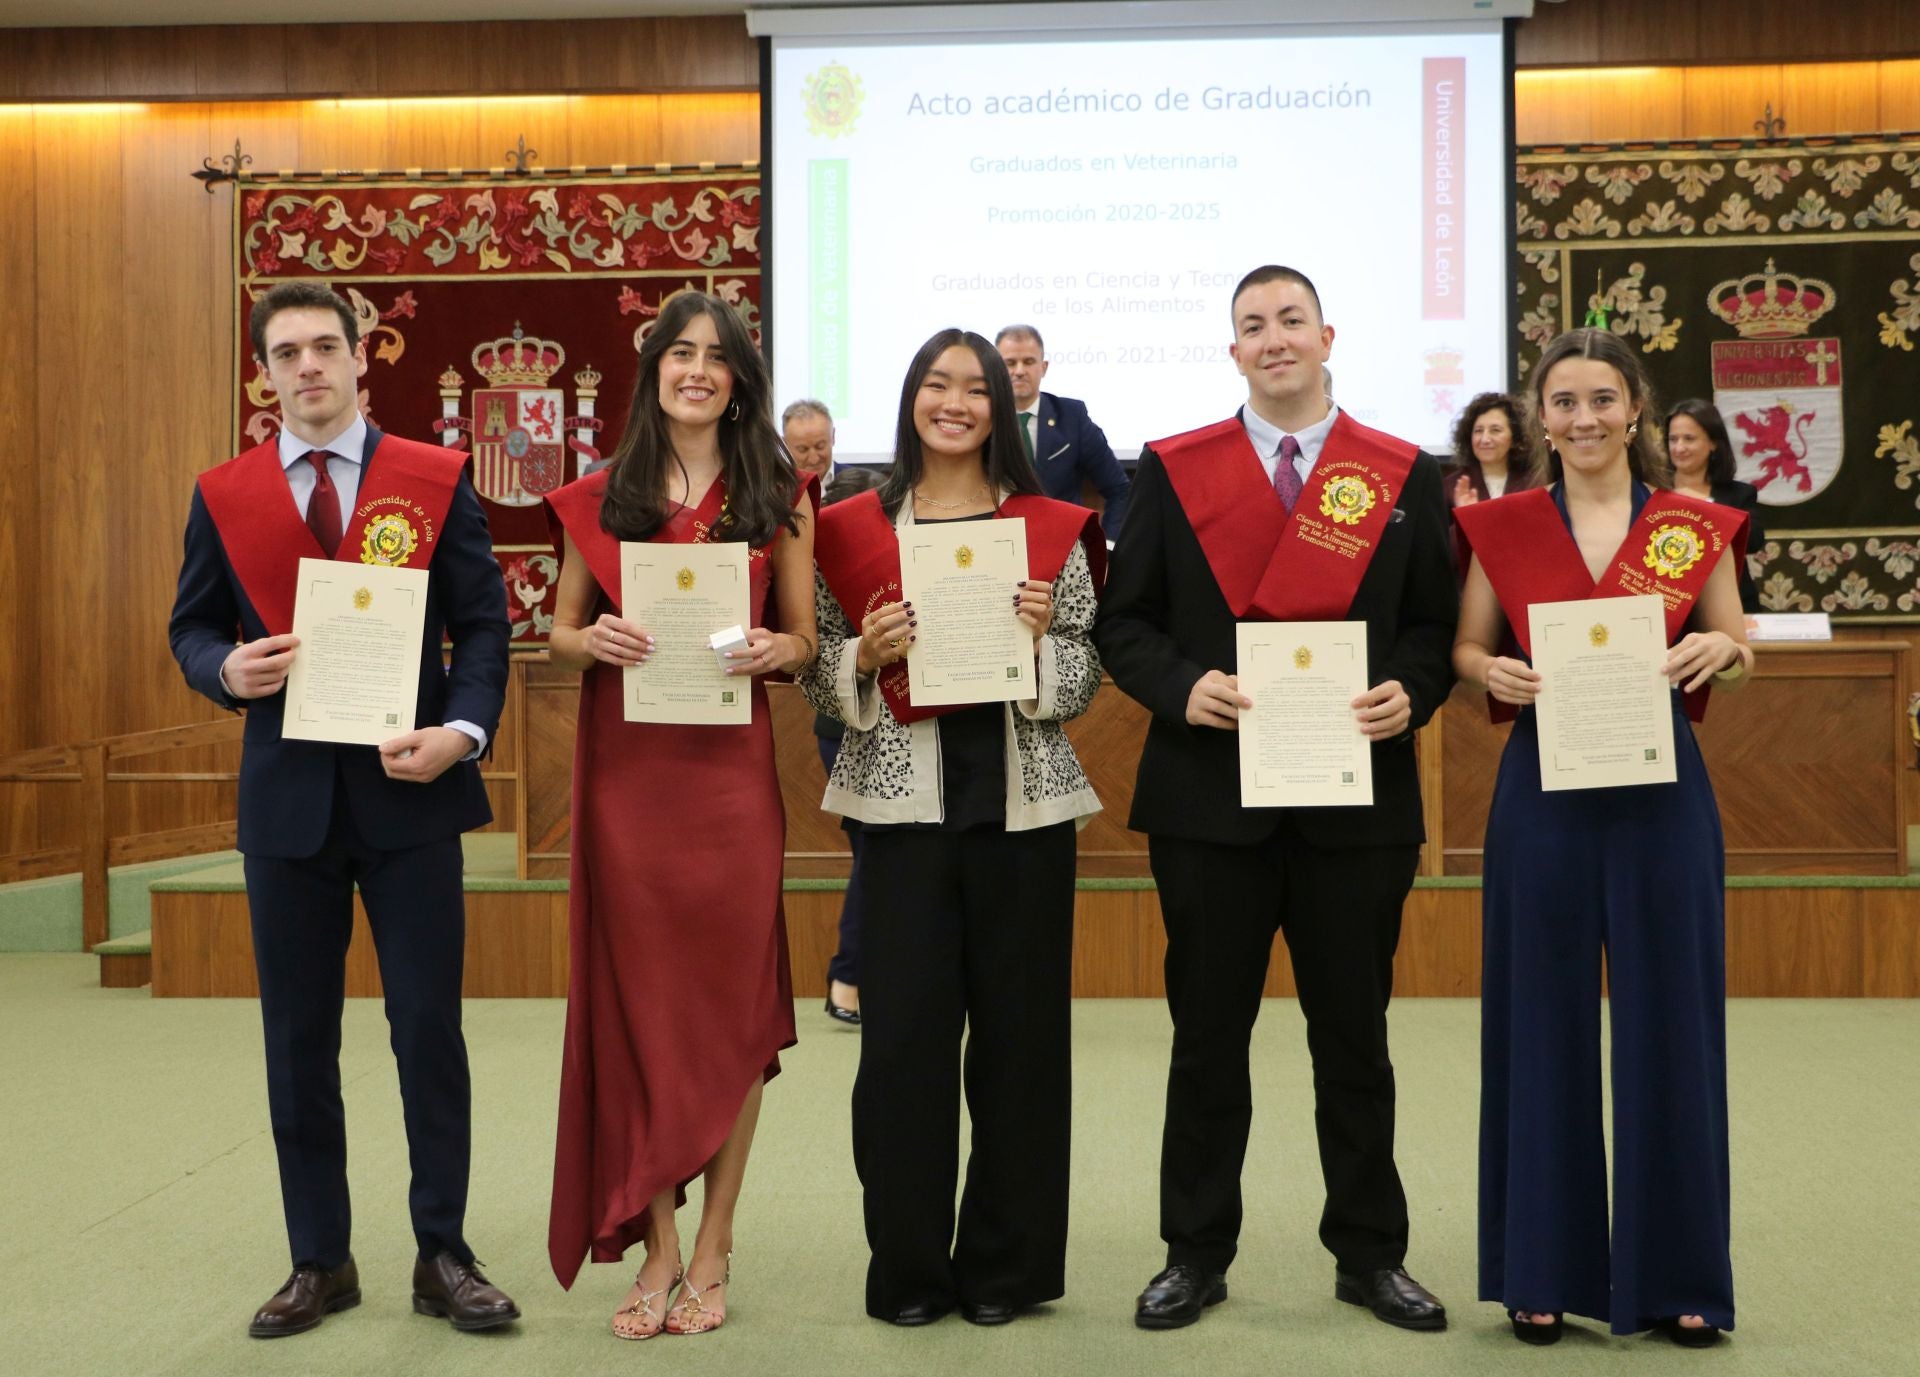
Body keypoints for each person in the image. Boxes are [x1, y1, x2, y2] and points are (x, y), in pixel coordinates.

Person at [1095, 265, 1457, 1334]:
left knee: (1356, 1038)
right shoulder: (1175, 469)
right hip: (1212, 806)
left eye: (1290, 320)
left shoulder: (1400, 473)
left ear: (1327, 333)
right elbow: (1126, 623)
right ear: (1234, 349)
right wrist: (1182, 684)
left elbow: (1435, 630)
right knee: (1207, 1038)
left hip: (1358, 807)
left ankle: (1370, 1255)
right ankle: (1194, 1255)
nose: (1273, 339)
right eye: (1252, 326)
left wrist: (1415, 691)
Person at [169, 282, 518, 1339]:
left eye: (327, 346)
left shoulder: (431, 478)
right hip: (288, 810)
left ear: (362, 360)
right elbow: (189, 631)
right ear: (265, 375)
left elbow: (485, 629)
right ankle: (319, 1259)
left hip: (411, 796)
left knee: (427, 1033)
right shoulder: (225, 494)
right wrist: (225, 668)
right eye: (288, 353)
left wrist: (462, 733)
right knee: (297, 1042)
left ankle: (443, 1252)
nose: (309, 366)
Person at [799, 328, 1106, 1327]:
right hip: (902, 816)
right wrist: (862, 655)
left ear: (1001, 408)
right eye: (939, 383)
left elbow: (1083, 670)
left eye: (976, 388)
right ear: (912, 399)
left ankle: (1004, 1271)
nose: (958, 402)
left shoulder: (1049, 526)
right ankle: (910, 1272)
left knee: (1021, 1050)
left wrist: (1034, 648)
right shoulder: (850, 525)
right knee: (901, 1052)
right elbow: (818, 665)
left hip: (1022, 812)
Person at [1453, 328, 1750, 1348]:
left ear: (1636, 410)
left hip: (1663, 796)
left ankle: (1682, 1282)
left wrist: (1720, 646)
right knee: (1539, 1025)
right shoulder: (1503, 526)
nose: (1584, 418)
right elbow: (1467, 643)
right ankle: (1541, 1268)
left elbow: (1737, 642)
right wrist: (1484, 673)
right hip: (1543, 790)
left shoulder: (1688, 523)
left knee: (1675, 1028)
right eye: (1565, 401)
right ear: (1543, 418)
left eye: (1603, 399)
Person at [544, 290, 818, 1339]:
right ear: (653, 368)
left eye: (718, 357)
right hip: (629, 779)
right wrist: (594, 642)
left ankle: (717, 1245)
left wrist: (774, 653)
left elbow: (800, 641)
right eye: (679, 353)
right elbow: (561, 634)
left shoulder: (776, 492)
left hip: (729, 780)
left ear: (741, 379)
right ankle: (658, 1248)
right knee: (639, 1007)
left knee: (733, 1005)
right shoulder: (600, 497)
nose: (697, 370)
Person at [812, 463, 887, 1026]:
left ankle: (860, 974)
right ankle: (850, 976)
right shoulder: (822, 565)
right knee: (874, 852)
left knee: (878, 854)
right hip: (847, 727)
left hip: (908, 724)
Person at [995, 324, 1132, 536]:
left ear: (1044, 367)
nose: (1019, 371)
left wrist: (1109, 548)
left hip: (1063, 548)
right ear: (996, 370)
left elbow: (1119, 490)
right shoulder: (983, 419)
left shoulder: (1072, 417)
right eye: (1010, 363)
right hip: (1000, 546)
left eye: (1029, 362)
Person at [1666, 398, 1764, 612]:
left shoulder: (1739, 494)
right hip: (1670, 606)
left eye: (1689, 439)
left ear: (1712, 443)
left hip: (1731, 606)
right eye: (1673, 439)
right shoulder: (1651, 491)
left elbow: (1754, 541)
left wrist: (1701, 506)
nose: (1679, 447)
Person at [1446, 392, 1536, 508]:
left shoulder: (1534, 483)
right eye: (1478, 431)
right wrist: (1466, 516)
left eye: (1495, 430)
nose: (1485, 439)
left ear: (1515, 437)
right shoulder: (1451, 487)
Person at [783, 397, 837, 481]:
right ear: (785, 445)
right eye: (803, 449)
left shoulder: (862, 486)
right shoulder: (773, 489)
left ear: (833, 437)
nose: (814, 460)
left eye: (820, 446)